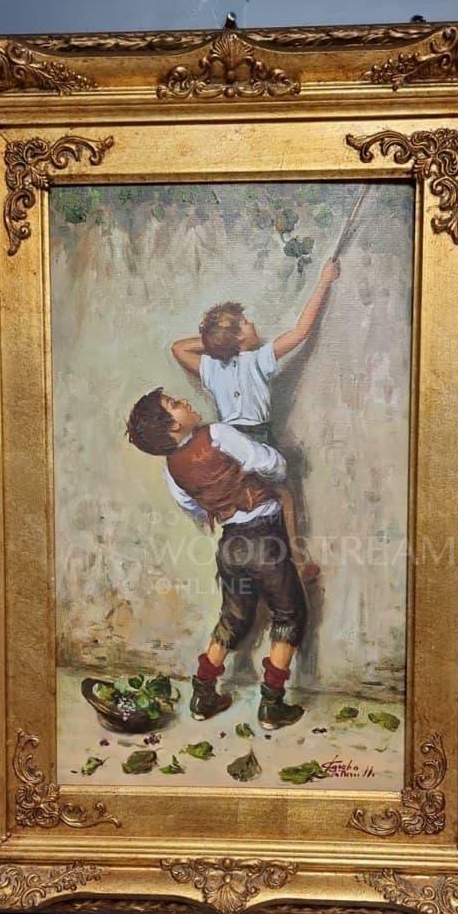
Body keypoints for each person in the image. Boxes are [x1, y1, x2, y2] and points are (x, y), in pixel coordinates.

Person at [126, 389, 307, 729]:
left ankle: (203, 694)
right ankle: (272, 705)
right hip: (265, 538)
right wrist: (268, 471)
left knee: (233, 617)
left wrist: (222, 504)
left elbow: (193, 508)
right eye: (174, 404)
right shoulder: (218, 434)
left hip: (230, 545)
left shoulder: (171, 470)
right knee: (290, 613)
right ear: (172, 427)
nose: (184, 402)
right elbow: (274, 465)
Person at [170, 257, 341, 582]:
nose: (252, 323)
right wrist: (324, 281)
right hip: (255, 441)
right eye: (245, 323)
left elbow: (178, 348)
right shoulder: (257, 360)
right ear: (237, 338)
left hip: (227, 446)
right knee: (282, 498)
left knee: (242, 507)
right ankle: (297, 562)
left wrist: (215, 343)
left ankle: (250, 568)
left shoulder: (213, 368)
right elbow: (302, 331)